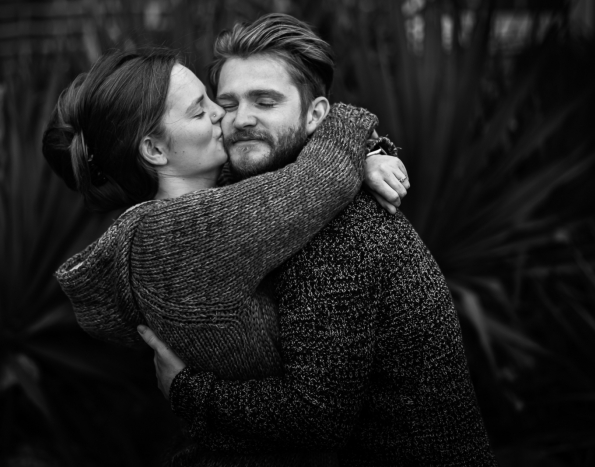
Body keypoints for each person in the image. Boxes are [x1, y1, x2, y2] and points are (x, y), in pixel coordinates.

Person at [137, 13, 498, 466]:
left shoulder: (340, 231)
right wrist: (363, 152)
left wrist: (187, 390)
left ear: (316, 117)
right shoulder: (248, 194)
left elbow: (316, 416)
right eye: (227, 104)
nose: (241, 119)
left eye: (265, 102)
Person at [42, 49, 406, 464]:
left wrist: (367, 155)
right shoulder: (174, 236)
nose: (222, 113)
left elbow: (293, 177)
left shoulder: (203, 209)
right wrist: (346, 124)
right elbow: (322, 178)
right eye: (200, 112)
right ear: (155, 151)